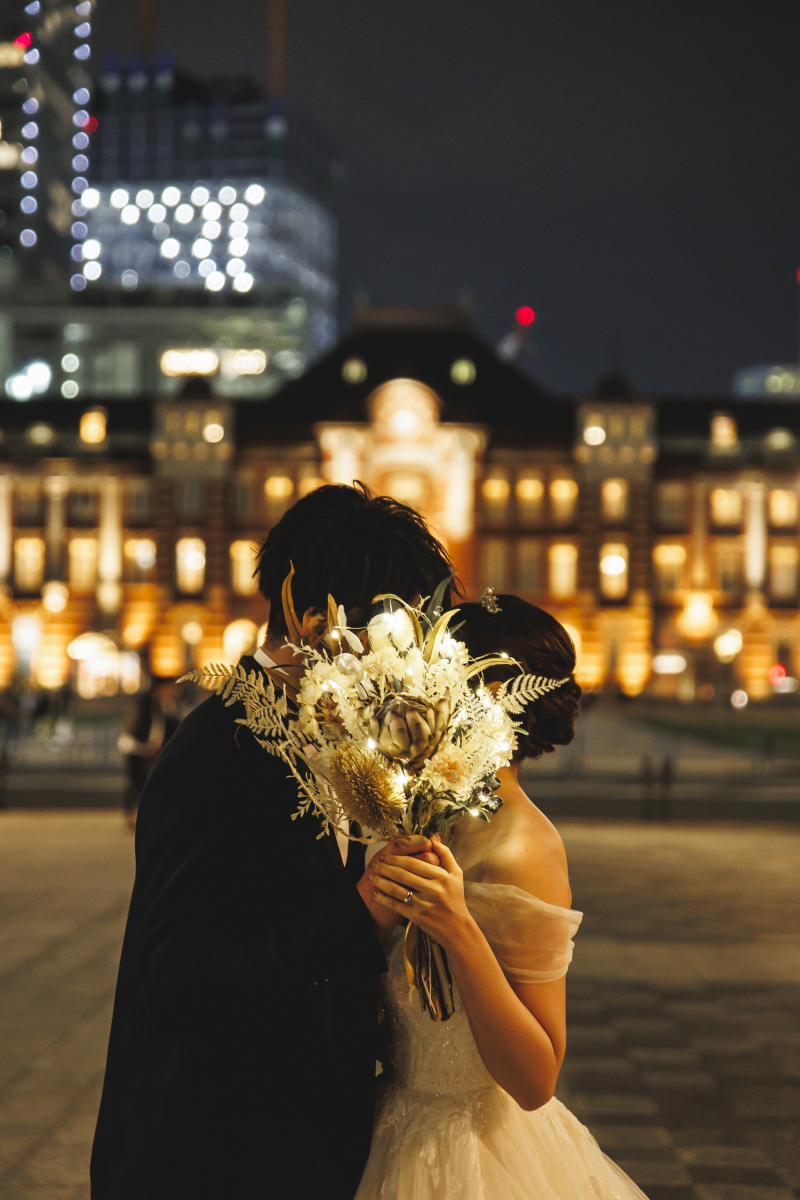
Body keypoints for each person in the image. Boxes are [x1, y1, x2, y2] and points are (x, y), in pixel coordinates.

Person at [90, 482, 455, 1200]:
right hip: (216, 1155)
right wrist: (360, 914)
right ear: (315, 621)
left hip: (295, 1144)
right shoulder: (218, 750)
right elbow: (181, 981)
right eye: (393, 635)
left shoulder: (326, 736)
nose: (405, 662)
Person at [359, 594, 649, 1200]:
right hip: (389, 1124)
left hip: (479, 1149)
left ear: (487, 699)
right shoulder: (420, 820)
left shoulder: (523, 850)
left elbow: (536, 1079)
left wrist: (457, 927)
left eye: (436, 679)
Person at [117, 676, 181, 830]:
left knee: (148, 782)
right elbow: (135, 725)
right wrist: (145, 745)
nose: (174, 691)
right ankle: (133, 815)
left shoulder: (166, 704)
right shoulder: (145, 703)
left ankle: (146, 816)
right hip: (138, 748)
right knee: (137, 781)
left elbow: (171, 725)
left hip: (154, 750)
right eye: (170, 687)